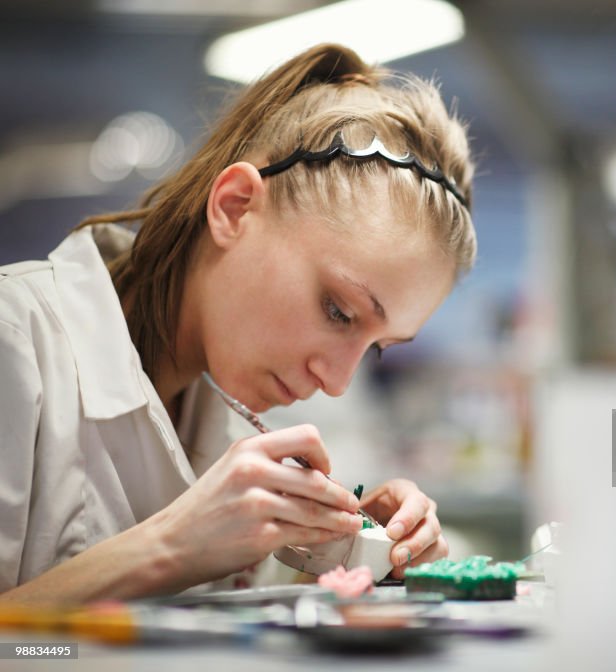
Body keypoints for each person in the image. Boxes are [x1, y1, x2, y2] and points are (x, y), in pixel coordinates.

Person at [0, 43, 475, 603]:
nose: (337, 382)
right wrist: (169, 548)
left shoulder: (230, 422)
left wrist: (339, 551)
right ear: (234, 207)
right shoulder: (17, 340)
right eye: (338, 311)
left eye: (376, 347)